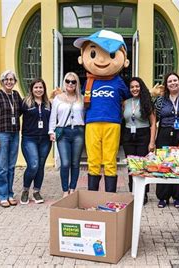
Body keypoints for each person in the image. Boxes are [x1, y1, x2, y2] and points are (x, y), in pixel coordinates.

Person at [73, 30, 131, 193]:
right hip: (91, 123)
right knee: (93, 160)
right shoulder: (88, 82)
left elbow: (128, 100)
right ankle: (93, 194)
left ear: (124, 60)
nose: (100, 59)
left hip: (113, 123)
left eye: (111, 54)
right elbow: (78, 99)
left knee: (110, 160)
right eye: (93, 52)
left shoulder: (119, 82)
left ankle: (109, 195)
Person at [154, 72, 179, 208]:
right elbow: (155, 117)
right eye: (170, 81)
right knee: (164, 165)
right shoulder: (161, 100)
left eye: (175, 80)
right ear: (166, 84)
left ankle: (178, 197)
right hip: (165, 134)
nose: (173, 83)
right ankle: (163, 197)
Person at [0, 70, 22, 208]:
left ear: (15, 81)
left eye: (12, 79)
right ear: (2, 81)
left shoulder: (16, 95)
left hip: (14, 133)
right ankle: (2, 196)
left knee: (11, 166)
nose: (9, 82)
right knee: (2, 166)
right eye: (6, 79)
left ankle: (9, 194)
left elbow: (22, 109)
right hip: (2, 134)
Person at [49, 72, 85, 197]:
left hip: (78, 132)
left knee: (75, 163)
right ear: (64, 82)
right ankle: (65, 191)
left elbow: (84, 115)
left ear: (77, 84)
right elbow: (53, 117)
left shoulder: (81, 97)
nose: (70, 83)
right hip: (63, 132)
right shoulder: (58, 99)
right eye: (68, 81)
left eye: (73, 81)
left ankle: (73, 189)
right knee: (65, 163)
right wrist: (51, 131)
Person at [122, 77, 157, 204]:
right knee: (131, 166)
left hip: (143, 135)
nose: (134, 89)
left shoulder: (147, 102)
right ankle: (133, 192)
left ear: (141, 87)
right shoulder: (125, 103)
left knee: (142, 166)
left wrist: (152, 142)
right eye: (132, 87)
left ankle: (143, 193)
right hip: (128, 136)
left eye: (137, 86)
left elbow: (153, 124)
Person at [19, 78, 52, 204]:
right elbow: (14, 115)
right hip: (29, 139)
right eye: (36, 87)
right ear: (32, 89)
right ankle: (25, 190)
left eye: (41, 87)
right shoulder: (25, 103)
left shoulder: (49, 104)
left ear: (44, 89)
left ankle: (36, 191)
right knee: (33, 165)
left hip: (45, 139)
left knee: (41, 166)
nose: (38, 90)